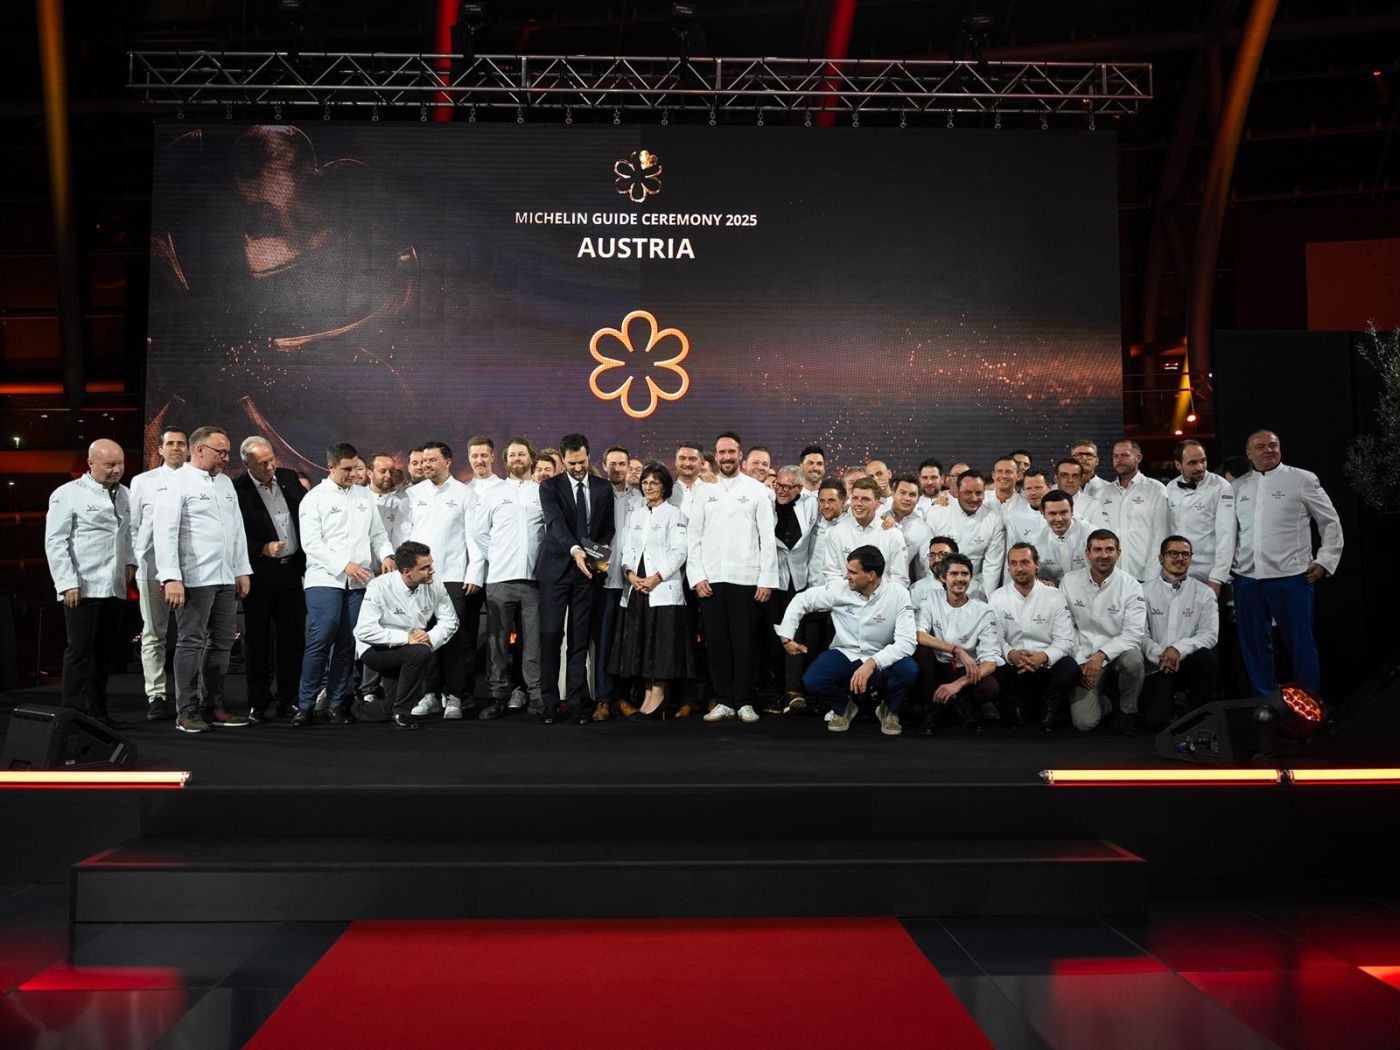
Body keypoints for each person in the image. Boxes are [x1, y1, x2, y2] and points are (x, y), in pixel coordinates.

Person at [153, 425, 252, 732]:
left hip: (224, 575)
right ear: (199, 450)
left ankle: (214, 706)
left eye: (227, 453)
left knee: (222, 643)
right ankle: (187, 711)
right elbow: (165, 532)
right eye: (220, 452)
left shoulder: (224, 483)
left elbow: (236, 529)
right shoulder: (175, 482)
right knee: (191, 642)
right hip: (194, 577)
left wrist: (241, 569)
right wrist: (171, 577)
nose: (225, 458)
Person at [1231, 429, 1343, 697]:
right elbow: (1230, 533)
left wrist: (1326, 560)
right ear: (1249, 453)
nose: (1268, 450)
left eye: (1273, 445)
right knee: (1254, 646)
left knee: (1300, 644)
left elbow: (1330, 521)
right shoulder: (1237, 487)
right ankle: (1266, 702)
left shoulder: (1302, 479)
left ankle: (1309, 704)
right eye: (1261, 446)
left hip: (1292, 577)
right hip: (1247, 579)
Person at [295, 441, 395, 727]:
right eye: (347, 469)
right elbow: (311, 543)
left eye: (356, 468)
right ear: (330, 467)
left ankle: (337, 704)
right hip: (324, 579)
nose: (354, 474)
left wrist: (387, 555)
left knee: (348, 643)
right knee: (322, 637)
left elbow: (377, 534)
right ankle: (305, 705)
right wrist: (343, 565)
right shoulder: (314, 498)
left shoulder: (364, 496)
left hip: (359, 582)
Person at [776, 545, 917, 736]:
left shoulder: (898, 594)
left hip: (883, 654)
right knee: (812, 679)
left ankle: (890, 710)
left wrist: (873, 662)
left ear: (871, 575)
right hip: (846, 653)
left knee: (909, 670)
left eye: (853, 572)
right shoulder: (839, 589)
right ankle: (843, 707)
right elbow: (802, 600)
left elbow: (907, 642)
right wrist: (786, 636)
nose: (846, 576)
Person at [44, 438, 136, 728]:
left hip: (113, 585)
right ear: (90, 463)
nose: (117, 470)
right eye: (110, 465)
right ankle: (73, 714)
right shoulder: (67, 494)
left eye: (120, 464)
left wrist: (130, 562)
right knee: (80, 650)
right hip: (82, 585)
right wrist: (66, 582)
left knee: (103, 652)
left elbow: (128, 533)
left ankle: (98, 713)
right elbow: (55, 542)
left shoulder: (125, 494)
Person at [689, 432, 778, 724]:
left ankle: (745, 701)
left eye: (732, 452)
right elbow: (694, 537)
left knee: (745, 643)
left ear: (740, 455)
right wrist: (697, 576)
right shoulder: (703, 491)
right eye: (722, 452)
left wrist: (766, 579)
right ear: (715, 456)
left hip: (747, 580)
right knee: (716, 644)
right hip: (712, 579)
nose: (727, 457)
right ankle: (724, 701)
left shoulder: (757, 490)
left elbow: (767, 538)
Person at [537, 433, 616, 724]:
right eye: (572, 463)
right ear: (562, 460)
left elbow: (607, 528)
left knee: (579, 639)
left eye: (582, 461)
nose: (578, 468)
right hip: (555, 570)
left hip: (587, 574)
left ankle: (576, 702)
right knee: (550, 635)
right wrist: (575, 550)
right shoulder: (549, 486)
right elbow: (555, 524)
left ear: (588, 455)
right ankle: (549, 702)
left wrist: (597, 555)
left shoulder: (602, 488)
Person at [610, 462, 697, 719]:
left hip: (662, 589)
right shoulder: (636, 514)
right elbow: (627, 548)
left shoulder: (674, 514)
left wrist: (656, 578)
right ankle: (647, 693)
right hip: (636, 587)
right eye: (645, 482)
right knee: (642, 643)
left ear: (664, 487)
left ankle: (658, 694)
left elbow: (679, 552)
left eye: (654, 483)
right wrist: (630, 575)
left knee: (660, 644)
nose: (648, 487)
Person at [406, 441, 483, 719]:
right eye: (423, 461)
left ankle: (455, 696)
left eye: (432, 460)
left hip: (453, 576)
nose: (426, 465)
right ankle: (429, 694)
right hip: (419, 579)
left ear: (448, 462)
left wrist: (474, 573)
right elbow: (405, 536)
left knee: (453, 638)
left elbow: (474, 537)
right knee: (423, 635)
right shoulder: (412, 494)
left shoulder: (465, 494)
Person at [233, 435, 307, 723]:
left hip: (292, 572)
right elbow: (232, 532)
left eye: (271, 459)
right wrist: (261, 548)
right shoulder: (237, 489)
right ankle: (258, 701)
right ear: (246, 464)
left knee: (292, 639)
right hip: (259, 574)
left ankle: (289, 698)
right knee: (258, 640)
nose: (270, 466)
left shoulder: (288, 478)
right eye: (262, 463)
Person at [474, 438, 546, 720]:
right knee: (497, 644)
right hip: (500, 580)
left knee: (533, 643)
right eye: (512, 455)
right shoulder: (493, 493)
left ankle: (536, 695)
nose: (517, 459)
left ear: (531, 458)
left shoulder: (542, 492)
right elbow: (479, 533)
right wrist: (498, 557)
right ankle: (497, 696)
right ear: (505, 460)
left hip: (534, 581)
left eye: (522, 454)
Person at [353, 541, 459, 730]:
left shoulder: (435, 584)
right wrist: (406, 637)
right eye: (425, 568)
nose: (432, 570)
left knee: (387, 708)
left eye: (431, 564)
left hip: (409, 648)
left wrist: (430, 637)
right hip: (376, 650)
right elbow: (365, 631)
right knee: (420, 652)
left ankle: (354, 707)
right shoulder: (379, 586)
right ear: (406, 571)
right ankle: (402, 713)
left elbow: (450, 621)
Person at [1061, 528, 1147, 733]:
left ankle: (1127, 711)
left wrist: (1101, 656)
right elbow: (1065, 627)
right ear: (1087, 553)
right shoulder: (1069, 581)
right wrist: (1080, 661)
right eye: (1097, 549)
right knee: (1085, 723)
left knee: (1134, 660)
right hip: (1083, 655)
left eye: (1109, 549)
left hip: (1117, 655)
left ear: (1119, 553)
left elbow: (1133, 634)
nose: (1104, 555)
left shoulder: (1131, 585)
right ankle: (1108, 701)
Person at [128, 427, 187, 720]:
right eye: (170, 443)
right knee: (153, 634)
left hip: (191, 571)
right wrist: (136, 559)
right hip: (151, 569)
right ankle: (156, 695)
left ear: (189, 449)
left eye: (181, 444)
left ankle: (190, 695)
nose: (176, 448)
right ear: (160, 449)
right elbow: (133, 526)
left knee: (192, 637)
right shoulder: (143, 482)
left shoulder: (199, 480)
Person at [989, 542, 1079, 731]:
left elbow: (1065, 640)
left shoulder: (1055, 596)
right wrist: (1011, 654)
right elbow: (995, 638)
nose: (1019, 568)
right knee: (992, 664)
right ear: (1008, 568)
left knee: (1070, 668)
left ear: (1037, 565)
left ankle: (1051, 709)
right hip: (1014, 663)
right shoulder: (997, 597)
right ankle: (1015, 706)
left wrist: (1043, 656)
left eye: (1025, 562)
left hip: (1045, 663)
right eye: (1013, 563)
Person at [913, 553, 1002, 734]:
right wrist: (957, 650)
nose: (960, 579)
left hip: (965, 669)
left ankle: (966, 705)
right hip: (936, 667)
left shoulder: (984, 612)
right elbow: (920, 635)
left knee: (989, 688)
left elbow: (990, 662)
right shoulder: (931, 599)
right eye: (954, 574)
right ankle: (930, 712)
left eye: (965, 574)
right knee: (922, 651)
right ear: (943, 578)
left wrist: (958, 684)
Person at [1140, 535, 1220, 728]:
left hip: (1189, 664)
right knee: (1155, 722)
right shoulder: (1143, 591)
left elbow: (1209, 635)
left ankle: (1195, 712)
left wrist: (1177, 650)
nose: (1180, 558)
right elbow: (1140, 635)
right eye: (1173, 553)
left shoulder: (1204, 592)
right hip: (1157, 665)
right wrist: (1162, 656)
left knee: (1207, 658)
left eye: (1185, 554)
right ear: (1161, 558)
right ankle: (1174, 703)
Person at [592, 445, 642, 720]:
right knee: (604, 642)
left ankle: (624, 697)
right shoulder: (595, 493)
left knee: (627, 643)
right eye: (612, 464)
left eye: (622, 463)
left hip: (633, 582)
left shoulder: (639, 497)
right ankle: (603, 699)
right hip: (604, 581)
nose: (617, 468)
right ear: (604, 465)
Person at [764, 464, 817, 711]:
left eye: (788, 486)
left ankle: (793, 690)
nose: (781, 490)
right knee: (773, 636)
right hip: (771, 581)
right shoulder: (765, 503)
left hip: (799, 581)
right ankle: (775, 691)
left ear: (799, 488)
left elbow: (840, 508)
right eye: (778, 485)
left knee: (795, 634)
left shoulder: (811, 504)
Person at [1090, 440, 1171, 582]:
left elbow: (1161, 535)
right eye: (1115, 456)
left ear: (1138, 458)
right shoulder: (1102, 493)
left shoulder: (1155, 489)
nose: (1119, 460)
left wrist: (1151, 576)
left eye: (1125, 455)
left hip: (1145, 575)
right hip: (1110, 575)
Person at [1165, 440, 1235, 595]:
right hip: (1177, 573)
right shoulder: (1171, 488)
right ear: (1178, 465)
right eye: (1192, 463)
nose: (1200, 467)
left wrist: (1217, 578)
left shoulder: (1221, 487)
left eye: (1203, 461)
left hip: (1208, 574)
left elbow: (1227, 536)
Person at [924, 469, 1005, 600]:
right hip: (939, 583)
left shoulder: (993, 519)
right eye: (967, 493)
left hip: (975, 587)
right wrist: (937, 590)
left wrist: (988, 598)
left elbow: (993, 565)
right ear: (957, 492)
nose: (974, 498)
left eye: (979, 493)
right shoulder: (937, 513)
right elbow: (927, 556)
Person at [820, 477, 909, 588]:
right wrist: (848, 595)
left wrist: (878, 596)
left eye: (865, 499)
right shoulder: (837, 532)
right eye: (855, 498)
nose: (858, 503)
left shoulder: (893, 534)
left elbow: (900, 579)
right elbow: (832, 574)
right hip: (845, 596)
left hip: (883, 597)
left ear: (877, 504)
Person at [1031, 489, 1091, 584]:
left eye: (1063, 512)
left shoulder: (1090, 535)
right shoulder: (1035, 542)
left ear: (1072, 511)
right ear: (1043, 514)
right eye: (1052, 513)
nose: (1059, 519)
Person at [886, 475, 934, 581]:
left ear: (918, 499)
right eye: (902, 493)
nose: (907, 498)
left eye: (912, 495)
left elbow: (925, 568)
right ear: (893, 493)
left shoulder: (923, 530)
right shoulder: (877, 515)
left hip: (898, 583)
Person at [368, 452, 411, 549]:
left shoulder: (401, 503)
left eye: (391, 471)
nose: (388, 475)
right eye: (383, 471)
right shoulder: (358, 498)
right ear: (370, 473)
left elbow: (402, 537)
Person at [669, 440, 709, 522]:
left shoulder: (712, 491)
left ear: (702, 464)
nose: (687, 463)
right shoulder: (665, 493)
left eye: (692, 459)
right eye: (682, 458)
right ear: (676, 462)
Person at [1069, 439, 1110, 503]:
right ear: (1070, 460)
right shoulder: (1059, 490)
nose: (1084, 458)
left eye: (1089, 455)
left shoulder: (1110, 490)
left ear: (1096, 461)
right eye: (1078, 455)